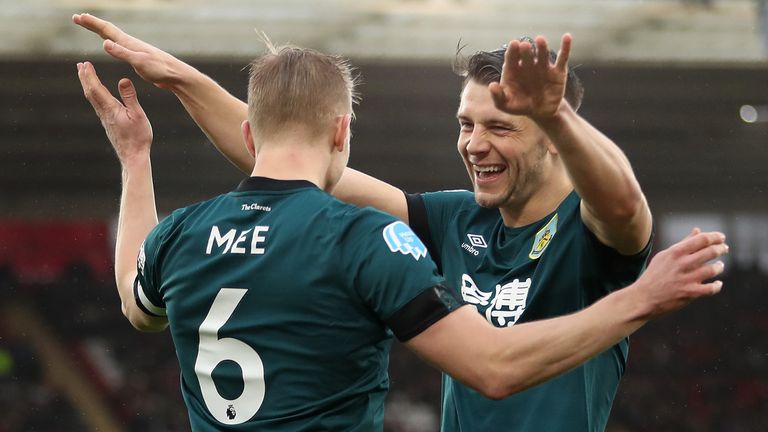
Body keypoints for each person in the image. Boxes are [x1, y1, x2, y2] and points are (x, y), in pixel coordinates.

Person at [74, 14, 718, 431]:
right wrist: (184, 79)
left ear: (552, 137)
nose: (473, 143)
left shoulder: (593, 232)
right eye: (465, 124)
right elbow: (287, 157)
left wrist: (560, 117)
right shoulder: (448, 219)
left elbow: (627, 207)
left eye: (500, 126)